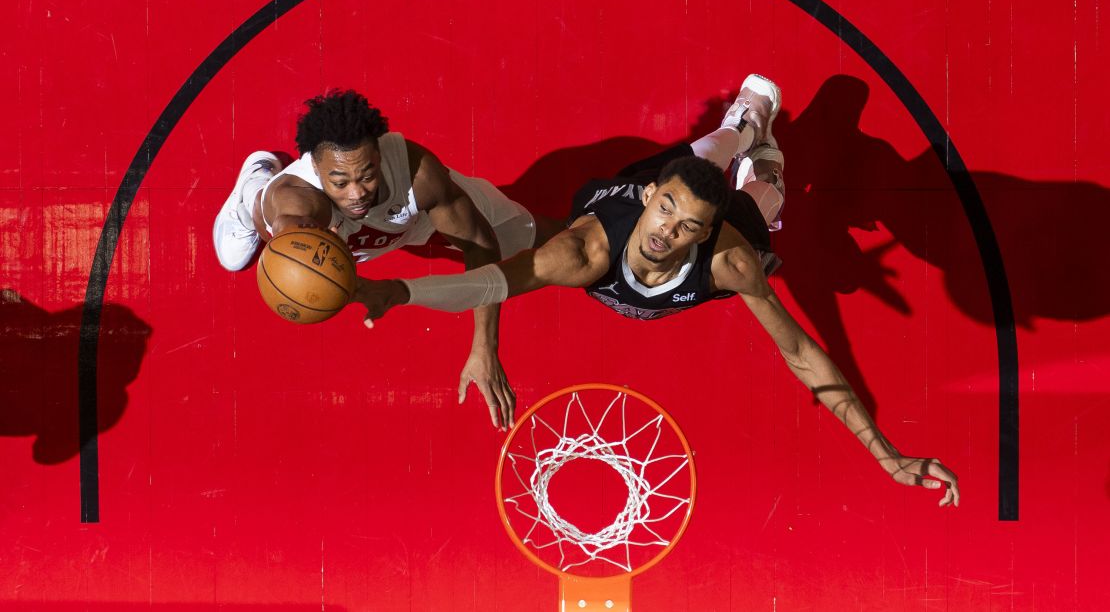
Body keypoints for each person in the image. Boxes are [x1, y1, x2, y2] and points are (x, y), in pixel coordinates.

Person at [357, 75, 961, 506]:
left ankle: (764, 154)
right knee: (695, 158)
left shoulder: (729, 261)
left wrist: (887, 454)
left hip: (723, 234)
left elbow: (801, 353)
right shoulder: (582, 254)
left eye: (686, 228)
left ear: (705, 237)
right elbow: (494, 279)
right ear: (650, 203)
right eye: (664, 212)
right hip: (617, 203)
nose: (665, 233)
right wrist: (402, 295)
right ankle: (743, 123)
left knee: (764, 197)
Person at [213, 89, 558, 430]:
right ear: (316, 169)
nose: (357, 192)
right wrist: (308, 247)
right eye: (340, 181)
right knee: (235, 253)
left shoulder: (419, 175)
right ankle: (253, 182)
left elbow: (480, 246)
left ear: (378, 155)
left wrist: (484, 347)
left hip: (412, 220)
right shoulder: (297, 202)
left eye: (366, 175)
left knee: (540, 237)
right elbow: (290, 235)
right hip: (337, 232)